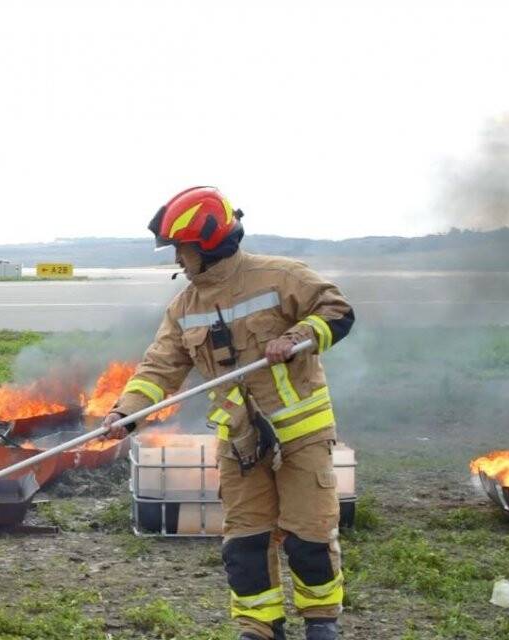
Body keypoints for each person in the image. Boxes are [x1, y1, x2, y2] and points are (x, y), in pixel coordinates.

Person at [103, 187, 354, 640]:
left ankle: (321, 624)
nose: (177, 258)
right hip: (241, 442)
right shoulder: (184, 308)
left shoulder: (280, 276)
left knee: (309, 537)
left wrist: (299, 335)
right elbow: (160, 367)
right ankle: (259, 628)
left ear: (207, 242)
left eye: (181, 248)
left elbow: (336, 310)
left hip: (301, 435)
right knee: (245, 543)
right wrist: (127, 412)